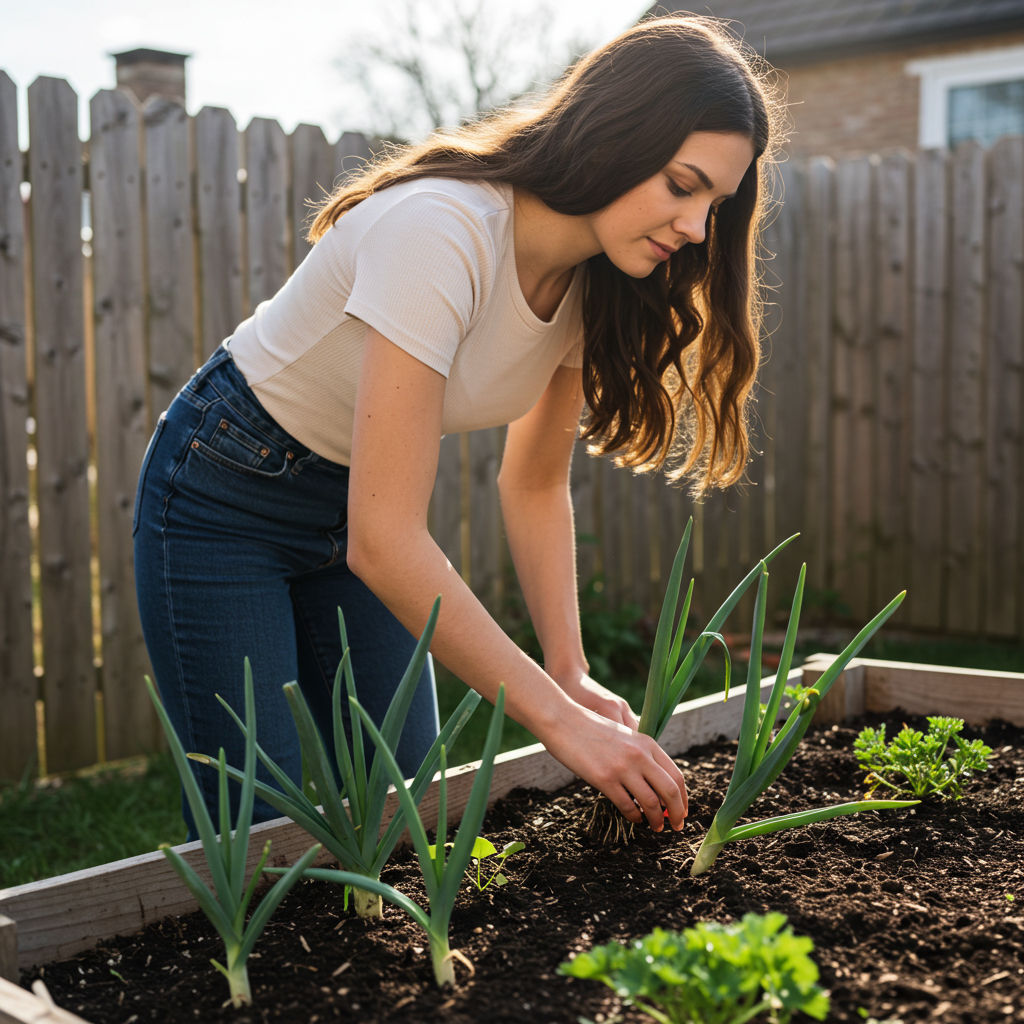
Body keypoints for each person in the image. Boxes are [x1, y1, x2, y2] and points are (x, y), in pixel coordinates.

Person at [134, 14, 780, 840]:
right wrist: (559, 725)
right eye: (682, 186)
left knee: (413, 810)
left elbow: (534, 483)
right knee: (256, 828)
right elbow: (387, 540)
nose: (696, 229)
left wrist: (569, 671)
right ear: (614, 136)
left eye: (714, 205)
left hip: (348, 505)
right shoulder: (439, 230)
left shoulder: (595, 281)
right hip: (223, 492)